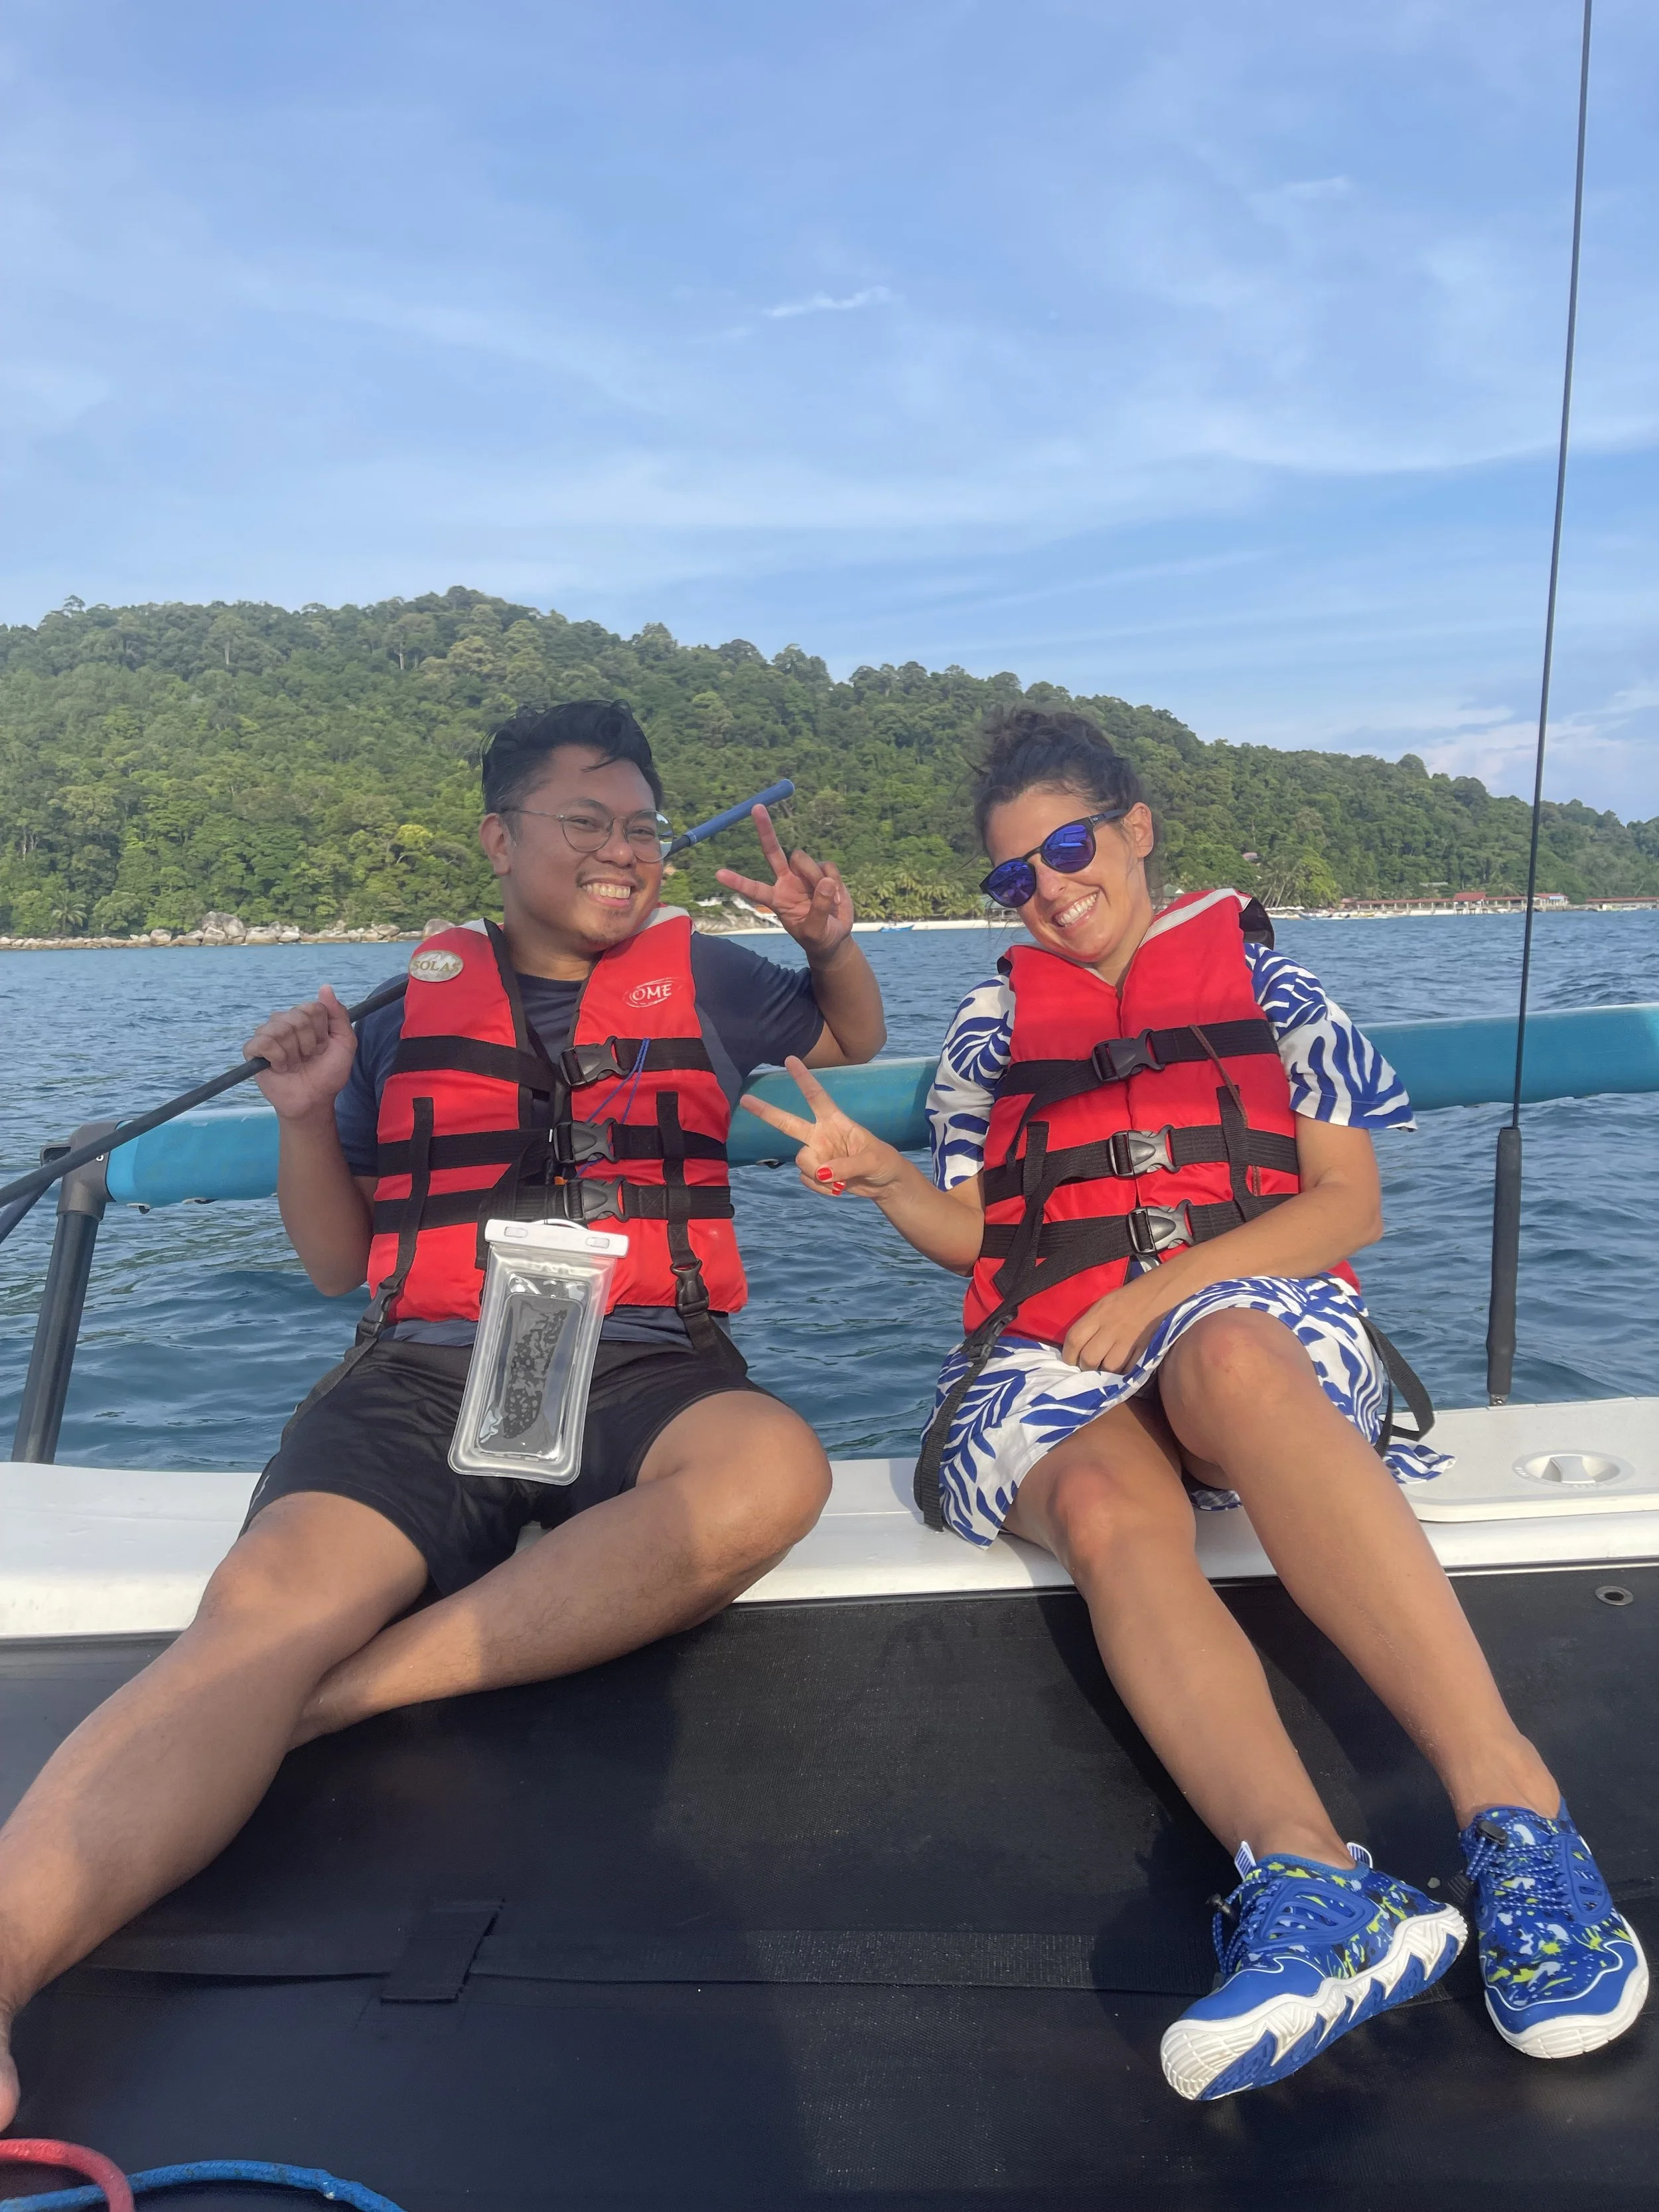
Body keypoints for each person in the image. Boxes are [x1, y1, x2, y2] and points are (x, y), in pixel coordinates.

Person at [741, 705, 1646, 2102]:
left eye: (1065, 844)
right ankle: (1312, 1884)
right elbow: (980, 1234)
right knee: (1101, 1501)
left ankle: (1516, 1814)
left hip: (1252, 1334)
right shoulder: (988, 1026)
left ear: (1134, 826)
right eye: (1011, 876)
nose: (1045, 886)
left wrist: (1170, 1292)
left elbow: (1348, 1205)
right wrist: (882, 1180)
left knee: (1224, 1353)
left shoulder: (1280, 996)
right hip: (1060, 1361)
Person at [0, 699, 885, 2129]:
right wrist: (303, 1111)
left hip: (645, 1356)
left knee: (769, 1469)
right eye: (584, 822)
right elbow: (340, 1262)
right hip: (424, 1363)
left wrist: (825, 938)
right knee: (266, 1610)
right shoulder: (397, 1016)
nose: (623, 851)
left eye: (642, 827)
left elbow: (848, 1035)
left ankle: (329, 1700)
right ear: (499, 836)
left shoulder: (710, 979)